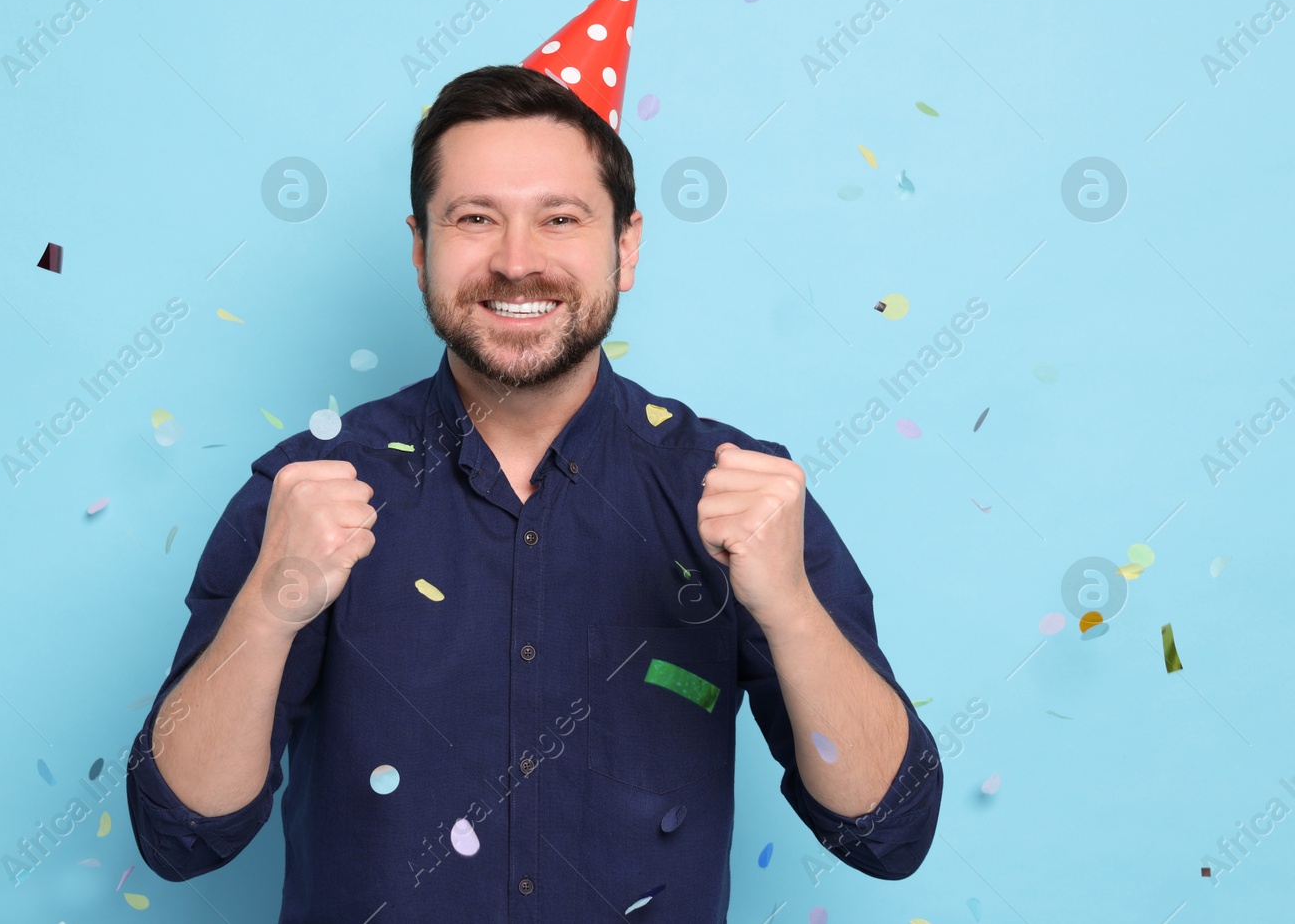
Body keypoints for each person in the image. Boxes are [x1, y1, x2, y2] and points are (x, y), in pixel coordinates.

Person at [126, 63, 942, 920]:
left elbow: (887, 830)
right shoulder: (309, 488)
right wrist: (268, 607)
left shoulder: (739, 490)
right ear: (420, 249)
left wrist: (791, 609)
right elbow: (183, 835)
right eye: (475, 219)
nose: (517, 262)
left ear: (625, 248)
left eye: (560, 218)